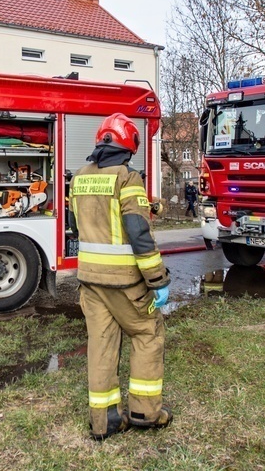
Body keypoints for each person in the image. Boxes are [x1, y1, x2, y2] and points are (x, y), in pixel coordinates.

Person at [69, 113, 173, 440]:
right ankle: (145, 412)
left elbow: (80, 225)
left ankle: (105, 422)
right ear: (129, 145)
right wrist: (157, 280)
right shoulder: (128, 178)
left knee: (101, 345)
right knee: (147, 334)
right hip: (126, 284)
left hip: (90, 281)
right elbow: (138, 233)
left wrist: (147, 207)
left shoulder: (80, 177)